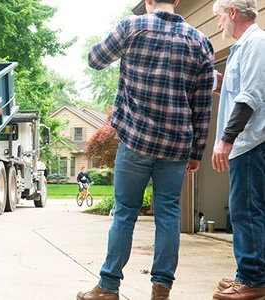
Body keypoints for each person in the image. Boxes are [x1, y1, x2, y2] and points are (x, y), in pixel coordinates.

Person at [76, 0, 214, 299]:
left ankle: (108, 287)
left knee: (125, 213)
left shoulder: (131, 27)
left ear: (148, 1)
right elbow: (203, 104)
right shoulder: (200, 41)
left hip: (136, 141)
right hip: (176, 147)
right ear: (176, 1)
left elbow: (95, 59)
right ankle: (161, 288)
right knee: (168, 215)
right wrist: (196, 152)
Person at [210, 1, 265, 299]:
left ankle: (252, 280)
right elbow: (235, 89)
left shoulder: (256, 43)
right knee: (249, 209)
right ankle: (251, 272)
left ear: (232, 12)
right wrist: (213, 80)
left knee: (246, 211)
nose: (218, 23)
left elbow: (251, 96)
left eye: (219, 16)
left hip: (250, 142)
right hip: (246, 143)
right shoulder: (241, 49)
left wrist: (226, 139)